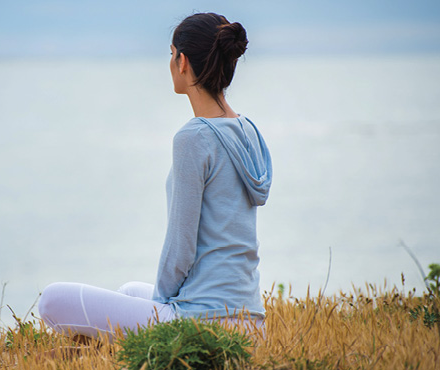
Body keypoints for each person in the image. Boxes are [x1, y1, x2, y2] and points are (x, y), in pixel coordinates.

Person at [37, 12, 272, 341]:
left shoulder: (193, 138)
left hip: (204, 323)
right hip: (249, 321)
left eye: (171, 54)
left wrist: (163, 311)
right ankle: (77, 359)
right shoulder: (247, 130)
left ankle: (140, 340)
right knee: (130, 290)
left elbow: (181, 249)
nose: (170, 62)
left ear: (183, 61)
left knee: (51, 299)